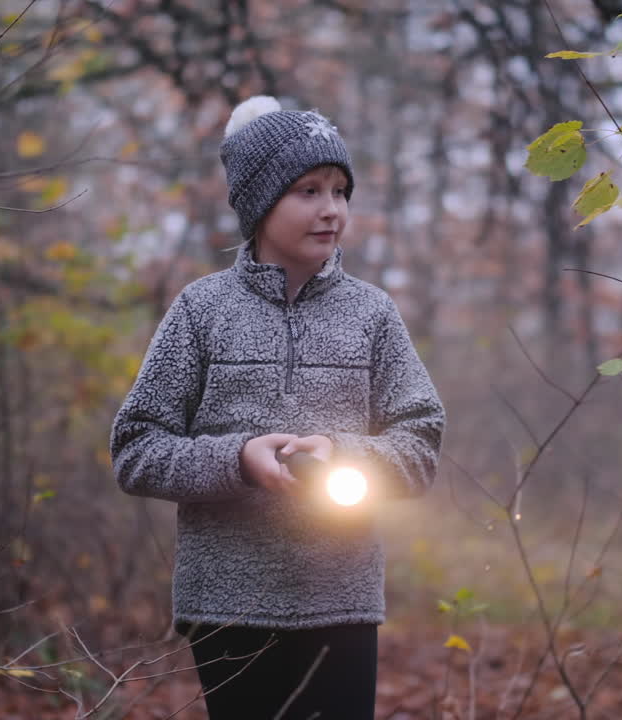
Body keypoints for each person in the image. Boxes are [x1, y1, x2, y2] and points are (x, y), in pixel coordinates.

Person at [109, 95, 445, 719]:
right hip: (227, 609)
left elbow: (420, 442)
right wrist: (237, 459)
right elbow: (136, 449)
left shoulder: (372, 314)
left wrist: (343, 455)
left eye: (340, 190)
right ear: (260, 203)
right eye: (308, 191)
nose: (331, 210)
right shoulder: (200, 311)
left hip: (341, 603)